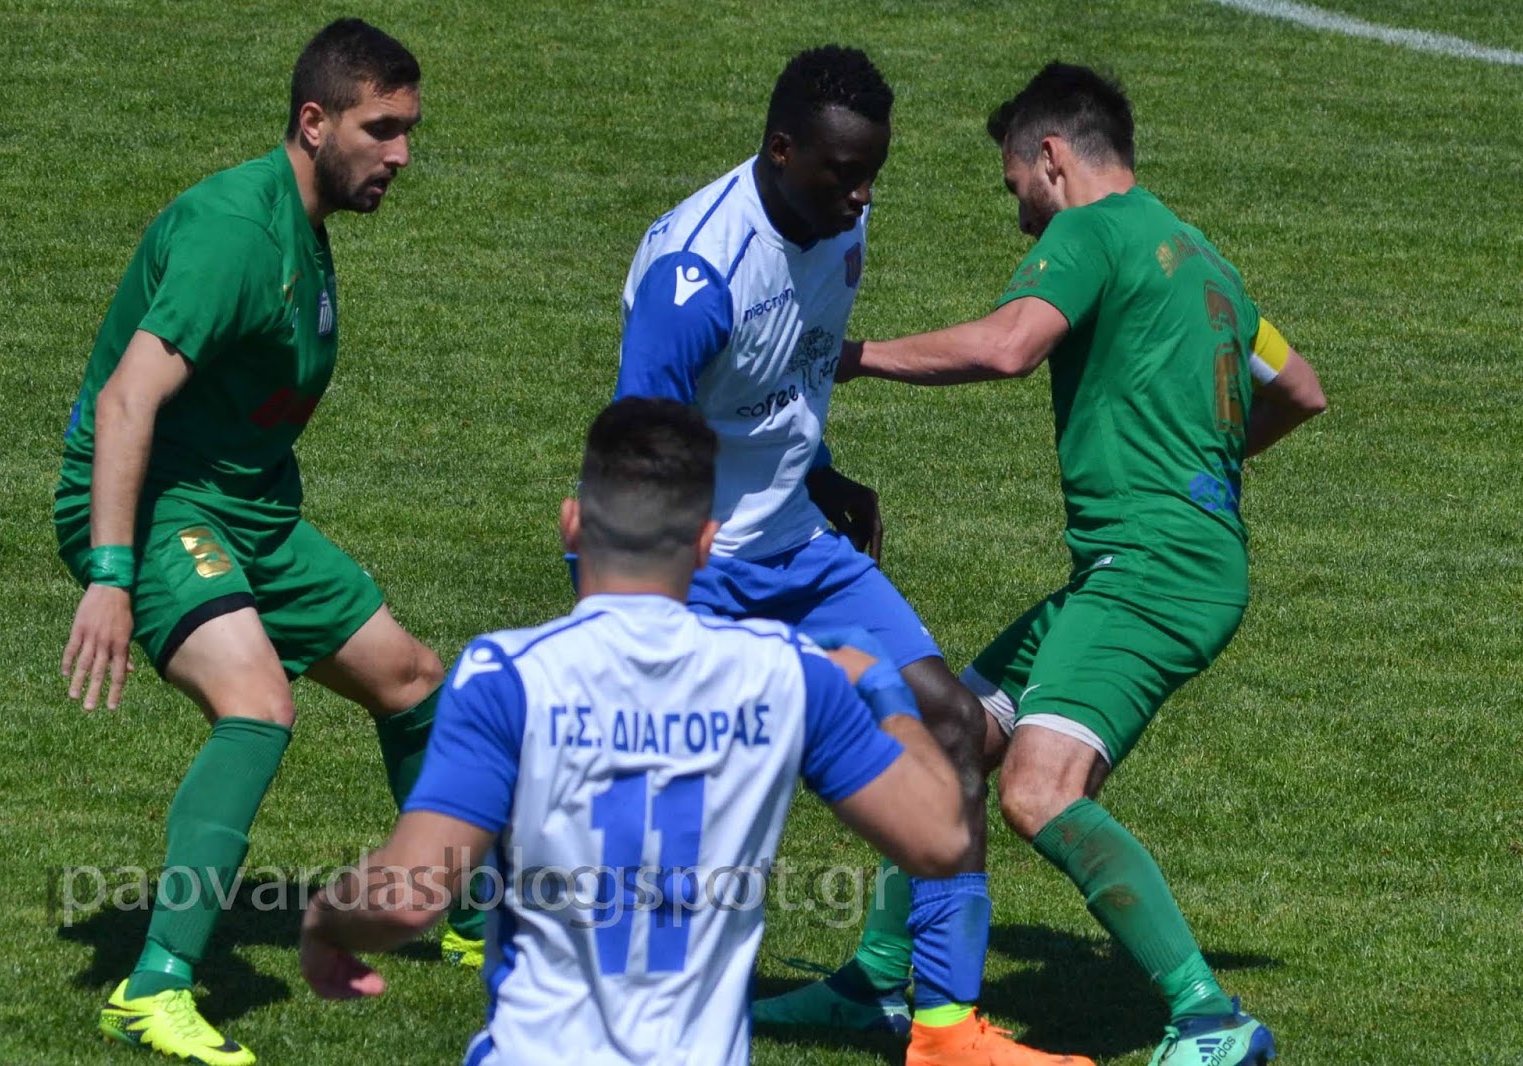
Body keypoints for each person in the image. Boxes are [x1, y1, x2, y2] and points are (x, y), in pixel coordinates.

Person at [835, 63, 1327, 1066]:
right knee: (948, 740)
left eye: (1015, 182)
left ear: (1052, 157)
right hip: (1155, 562)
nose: (1019, 212)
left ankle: (1209, 1017)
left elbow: (1009, 346)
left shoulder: (1089, 231)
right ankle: (873, 984)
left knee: (1039, 790)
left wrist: (850, 355)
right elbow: (1300, 389)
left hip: (1150, 569)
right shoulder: (1204, 259)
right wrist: (1204, 476)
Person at [613, 45, 1082, 1066]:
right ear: (782, 151)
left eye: (872, 171)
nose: (862, 194)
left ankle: (946, 1030)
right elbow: (635, 451)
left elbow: (790, 366)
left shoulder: (838, 219)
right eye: (842, 174)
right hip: (696, 563)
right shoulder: (696, 276)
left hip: (797, 544)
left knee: (948, 728)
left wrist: (819, 471)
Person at [297, 397, 970, 1065]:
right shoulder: (787, 676)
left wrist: (326, 919)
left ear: (572, 524)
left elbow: (409, 896)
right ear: (705, 543)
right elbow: (940, 840)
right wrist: (885, 691)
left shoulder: (507, 677)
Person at [52, 19, 471, 1065]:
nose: (401, 154)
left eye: (410, 132)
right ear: (314, 121)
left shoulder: (304, 224)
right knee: (259, 704)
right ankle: (152, 988)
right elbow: (126, 400)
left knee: (412, 679)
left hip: (249, 509)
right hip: (159, 505)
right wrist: (110, 573)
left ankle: (465, 913)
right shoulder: (235, 234)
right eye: (381, 130)